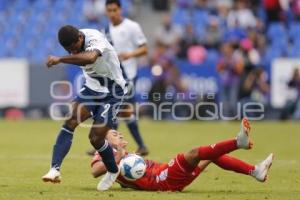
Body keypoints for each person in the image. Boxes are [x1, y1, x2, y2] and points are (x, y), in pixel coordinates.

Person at [42, 25, 128, 191]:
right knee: (71, 120)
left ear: (80, 38)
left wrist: (61, 59)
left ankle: (112, 170)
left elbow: (90, 58)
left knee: (95, 138)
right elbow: (79, 55)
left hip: (113, 91)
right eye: (69, 51)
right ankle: (54, 169)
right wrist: (67, 55)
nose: (73, 53)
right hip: (92, 88)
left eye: (74, 49)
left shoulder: (95, 38)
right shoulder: (74, 41)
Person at [91, 118, 274, 191]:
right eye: (115, 134)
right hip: (161, 179)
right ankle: (237, 142)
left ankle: (255, 171)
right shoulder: (105, 153)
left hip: (162, 175)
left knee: (209, 155)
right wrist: (120, 154)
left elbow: (125, 178)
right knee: (194, 153)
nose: (120, 134)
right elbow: (96, 171)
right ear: (104, 139)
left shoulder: (121, 154)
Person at [104, 0, 149, 155]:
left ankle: (109, 146)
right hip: (115, 76)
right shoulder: (105, 30)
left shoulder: (132, 26)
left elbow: (144, 49)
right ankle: (141, 146)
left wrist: (130, 54)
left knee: (115, 108)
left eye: (114, 10)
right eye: (109, 10)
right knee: (125, 111)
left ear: (120, 10)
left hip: (129, 75)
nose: (112, 13)